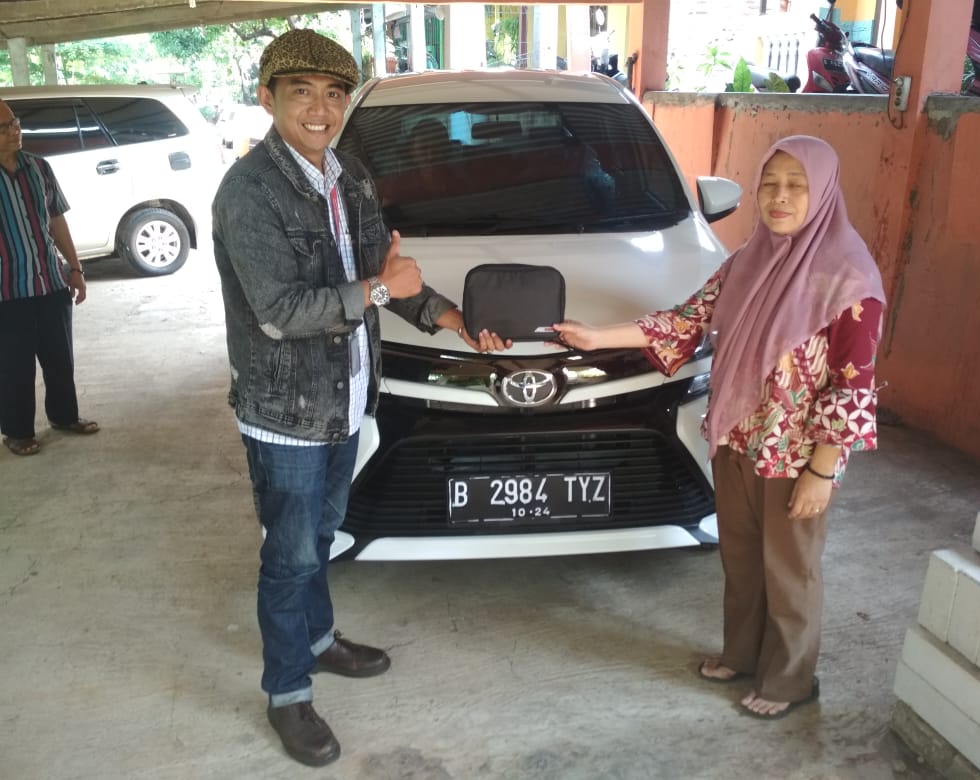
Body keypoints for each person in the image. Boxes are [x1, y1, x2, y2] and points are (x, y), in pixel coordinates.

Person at [212, 30, 507, 767]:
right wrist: (379, 289)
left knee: (321, 538)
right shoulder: (248, 192)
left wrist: (450, 317)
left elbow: (388, 271)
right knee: (288, 557)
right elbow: (280, 312)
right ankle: (288, 692)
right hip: (285, 414)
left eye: (334, 94)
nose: (321, 109)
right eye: (302, 92)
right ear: (268, 98)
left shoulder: (351, 177)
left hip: (345, 398)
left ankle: (318, 640)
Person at [554, 135, 885, 720]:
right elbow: (687, 321)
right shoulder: (748, 261)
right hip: (736, 438)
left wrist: (822, 470)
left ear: (824, 191)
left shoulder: (849, 280)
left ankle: (790, 680)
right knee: (742, 558)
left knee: (789, 570)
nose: (780, 197)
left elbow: (852, 385)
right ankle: (743, 654)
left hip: (795, 455)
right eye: (770, 184)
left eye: (796, 185)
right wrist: (597, 336)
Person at [0, 98, 99, 457]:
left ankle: (64, 416)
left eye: (15, 122)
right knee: (14, 366)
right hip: (7, 292)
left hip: (51, 282)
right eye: (4, 128)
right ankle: (17, 431)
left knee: (60, 357)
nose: (15, 131)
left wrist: (75, 269)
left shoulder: (39, 167)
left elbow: (57, 220)